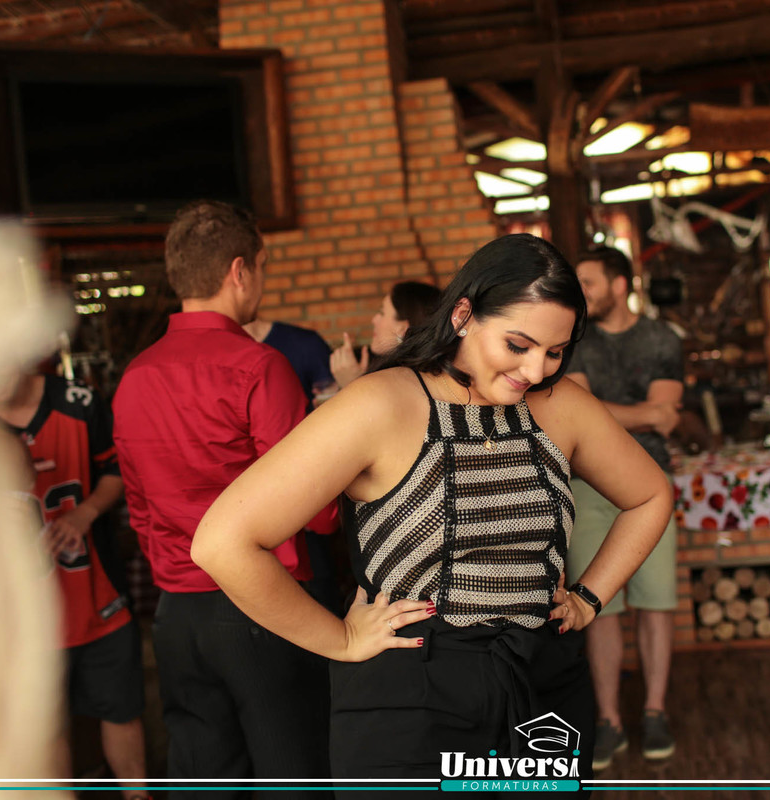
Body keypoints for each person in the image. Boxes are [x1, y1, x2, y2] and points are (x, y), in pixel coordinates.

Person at [192, 233, 673, 795]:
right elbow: (222, 542)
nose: (536, 369)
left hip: (541, 684)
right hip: (412, 694)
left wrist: (589, 599)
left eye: (555, 351)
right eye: (518, 345)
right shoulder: (382, 403)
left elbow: (650, 495)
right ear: (463, 315)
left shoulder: (561, 406)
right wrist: (339, 640)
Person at [112, 200, 338, 793]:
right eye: (262, 267)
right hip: (262, 603)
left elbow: (139, 508)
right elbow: (316, 511)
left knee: (206, 783)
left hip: (176, 615)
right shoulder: (259, 366)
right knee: (294, 777)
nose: (261, 281)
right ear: (240, 271)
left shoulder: (134, 376)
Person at [0, 370, 149, 799]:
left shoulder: (78, 402)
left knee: (123, 711)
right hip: (20, 617)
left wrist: (86, 511)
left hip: (96, 596)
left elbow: (121, 470)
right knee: (46, 729)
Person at [565, 245, 684, 770]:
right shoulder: (573, 338)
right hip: (586, 485)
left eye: (589, 282)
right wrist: (644, 414)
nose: (582, 293)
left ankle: (655, 711)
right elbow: (581, 411)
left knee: (657, 602)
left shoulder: (662, 338)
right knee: (597, 606)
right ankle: (609, 719)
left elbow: (668, 414)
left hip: (652, 485)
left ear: (619, 284)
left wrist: (603, 414)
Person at [243, 317, 345, 616]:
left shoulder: (303, 345)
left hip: (303, 505)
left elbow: (335, 417)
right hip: (242, 510)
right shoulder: (208, 357)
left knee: (319, 602)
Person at [329, 280, 441, 388]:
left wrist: (351, 384)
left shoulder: (403, 380)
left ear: (402, 329)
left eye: (382, 313)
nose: (374, 319)